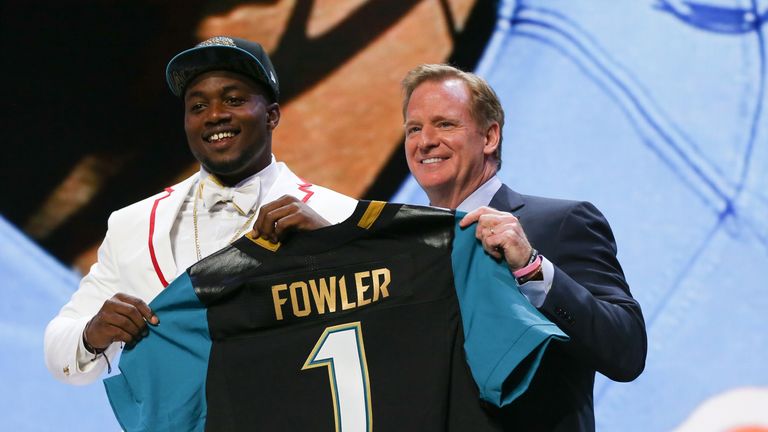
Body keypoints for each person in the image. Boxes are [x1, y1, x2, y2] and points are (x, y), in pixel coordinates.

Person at [44, 36, 357, 385]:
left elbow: (383, 334)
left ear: (272, 116)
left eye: (233, 100)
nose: (215, 115)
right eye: (197, 106)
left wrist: (333, 250)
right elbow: (60, 347)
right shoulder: (133, 225)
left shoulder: (335, 215)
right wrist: (93, 333)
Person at [401, 63, 647, 431]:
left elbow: (626, 350)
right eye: (414, 129)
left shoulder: (560, 223)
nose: (425, 141)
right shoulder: (405, 251)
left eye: (445, 124)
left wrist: (531, 267)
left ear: (490, 137)